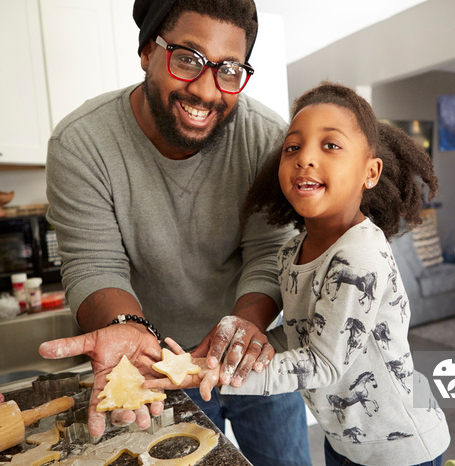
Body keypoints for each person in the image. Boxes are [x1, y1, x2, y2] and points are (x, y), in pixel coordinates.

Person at [37, 0, 311, 464]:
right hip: (156, 361)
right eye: (187, 59)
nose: (206, 90)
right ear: (147, 51)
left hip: (250, 347)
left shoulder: (266, 139)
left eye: (228, 70)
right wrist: (126, 327)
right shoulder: (81, 143)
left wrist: (242, 329)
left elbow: (270, 253)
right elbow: (93, 261)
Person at [145, 82, 451, 466]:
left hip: (399, 450)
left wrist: (223, 377)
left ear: (370, 173)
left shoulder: (360, 255)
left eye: (330, 145)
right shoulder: (292, 251)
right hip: (346, 443)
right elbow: (300, 330)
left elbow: (323, 362)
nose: (305, 157)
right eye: (293, 147)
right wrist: (232, 352)